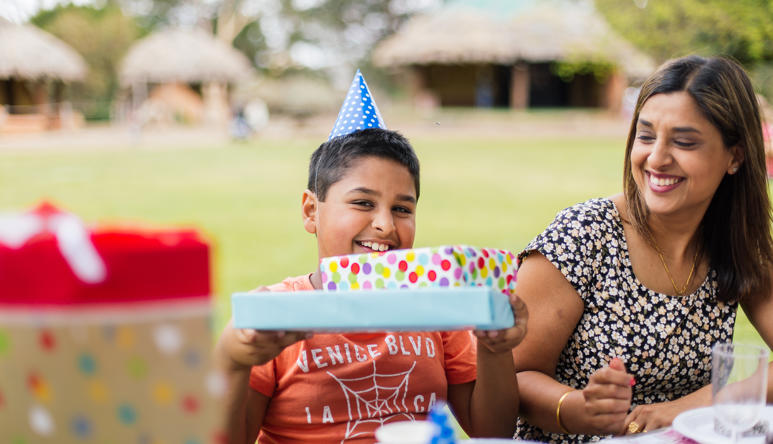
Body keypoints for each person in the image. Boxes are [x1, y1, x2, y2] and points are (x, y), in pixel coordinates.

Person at [215, 71, 528, 444]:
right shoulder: (277, 320)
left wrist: (495, 348)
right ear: (311, 212)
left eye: (402, 209)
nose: (384, 225)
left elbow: (493, 430)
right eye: (362, 203)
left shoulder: (440, 314)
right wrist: (233, 360)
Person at [512, 55, 773, 442]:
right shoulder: (583, 234)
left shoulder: (734, 243)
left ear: (735, 155)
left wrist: (701, 402)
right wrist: (578, 407)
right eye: (646, 136)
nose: (656, 158)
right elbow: (513, 376)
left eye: (684, 142)